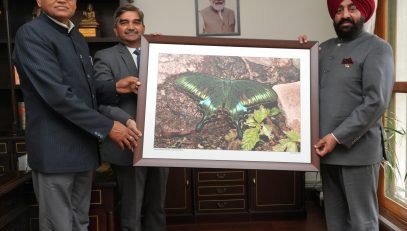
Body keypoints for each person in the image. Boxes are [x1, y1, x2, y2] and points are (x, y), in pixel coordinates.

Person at [12, 0, 142, 230]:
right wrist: (109, 126)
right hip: (56, 152)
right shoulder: (31, 34)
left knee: (80, 222)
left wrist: (114, 87)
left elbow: (85, 89)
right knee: (59, 225)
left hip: (83, 148)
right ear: (39, 1)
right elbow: (57, 95)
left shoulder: (76, 36)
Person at [299, 0, 394, 230]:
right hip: (327, 152)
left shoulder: (377, 47)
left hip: (357, 153)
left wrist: (336, 137)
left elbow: (375, 102)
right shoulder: (323, 49)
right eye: (339, 10)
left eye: (352, 8)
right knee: (335, 219)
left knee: (362, 221)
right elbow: (304, 87)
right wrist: (299, 54)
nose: (345, 15)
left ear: (363, 11)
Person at [93, 4, 169, 231]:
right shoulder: (104, 56)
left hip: (161, 142)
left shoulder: (159, 52)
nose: (130, 27)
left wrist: (164, 48)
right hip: (127, 140)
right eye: (124, 22)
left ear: (143, 27)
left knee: (157, 206)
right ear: (115, 29)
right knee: (131, 207)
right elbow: (101, 99)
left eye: (136, 22)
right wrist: (127, 121)